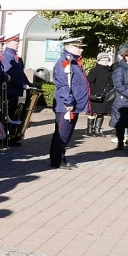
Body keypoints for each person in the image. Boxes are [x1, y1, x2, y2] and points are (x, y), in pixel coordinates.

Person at [49, 36, 90, 169]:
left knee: (66, 134)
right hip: (66, 106)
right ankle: (57, 160)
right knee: (61, 134)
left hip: (73, 104)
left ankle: (61, 157)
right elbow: (63, 85)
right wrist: (68, 102)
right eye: (78, 47)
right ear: (69, 47)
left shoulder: (73, 62)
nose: (81, 51)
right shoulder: (64, 63)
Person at [0, 35, 32, 145]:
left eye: (17, 42)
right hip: (9, 91)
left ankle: (9, 137)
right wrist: (23, 85)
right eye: (15, 42)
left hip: (14, 91)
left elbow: (21, 74)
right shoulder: (7, 56)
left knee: (12, 115)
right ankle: (3, 138)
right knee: (6, 115)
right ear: (8, 43)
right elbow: (11, 74)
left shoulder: (14, 56)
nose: (18, 44)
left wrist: (29, 84)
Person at [86, 51, 115, 137]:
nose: (105, 61)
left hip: (106, 96)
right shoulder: (94, 71)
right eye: (103, 59)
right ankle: (90, 130)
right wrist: (97, 92)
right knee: (92, 113)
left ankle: (97, 130)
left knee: (101, 113)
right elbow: (90, 82)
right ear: (98, 60)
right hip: (96, 95)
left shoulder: (110, 71)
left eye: (107, 59)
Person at [111, 44, 128, 150]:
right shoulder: (120, 69)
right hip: (122, 100)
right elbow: (119, 86)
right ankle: (120, 142)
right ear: (125, 57)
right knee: (121, 123)